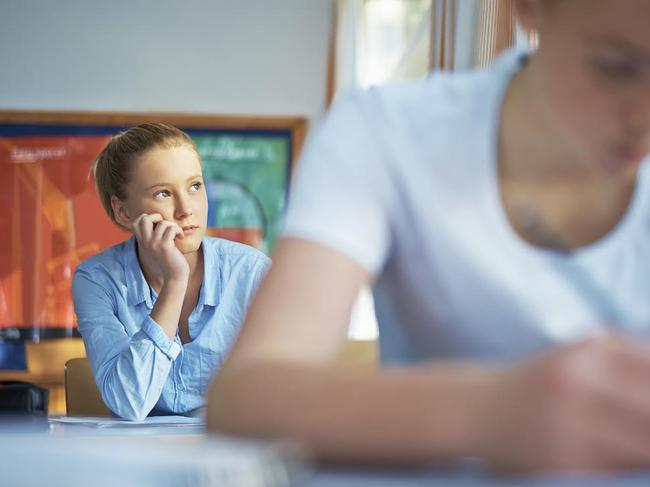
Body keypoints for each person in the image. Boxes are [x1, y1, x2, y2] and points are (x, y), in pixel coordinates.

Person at [207, 0, 650, 473]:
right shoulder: (386, 132)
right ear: (528, 8)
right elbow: (246, 398)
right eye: (616, 67)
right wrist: (491, 412)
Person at [72, 123, 269, 420]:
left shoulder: (251, 271)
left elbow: (277, 397)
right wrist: (175, 282)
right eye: (163, 193)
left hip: (228, 454)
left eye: (195, 186)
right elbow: (129, 403)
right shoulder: (96, 280)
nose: (186, 209)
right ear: (123, 212)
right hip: (142, 460)